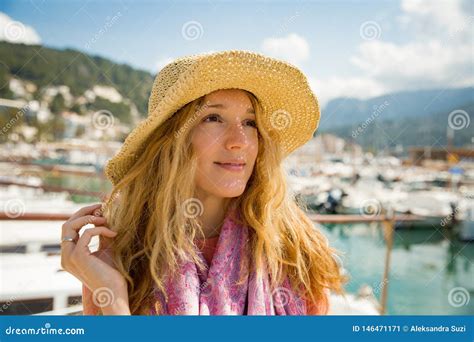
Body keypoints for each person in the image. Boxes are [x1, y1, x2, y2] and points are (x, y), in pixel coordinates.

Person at [60, 50, 346, 315]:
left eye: (250, 123)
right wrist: (112, 295)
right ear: (172, 140)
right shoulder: (120, 252)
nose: (240, 141)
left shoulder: (295, 250)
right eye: (213, 118)